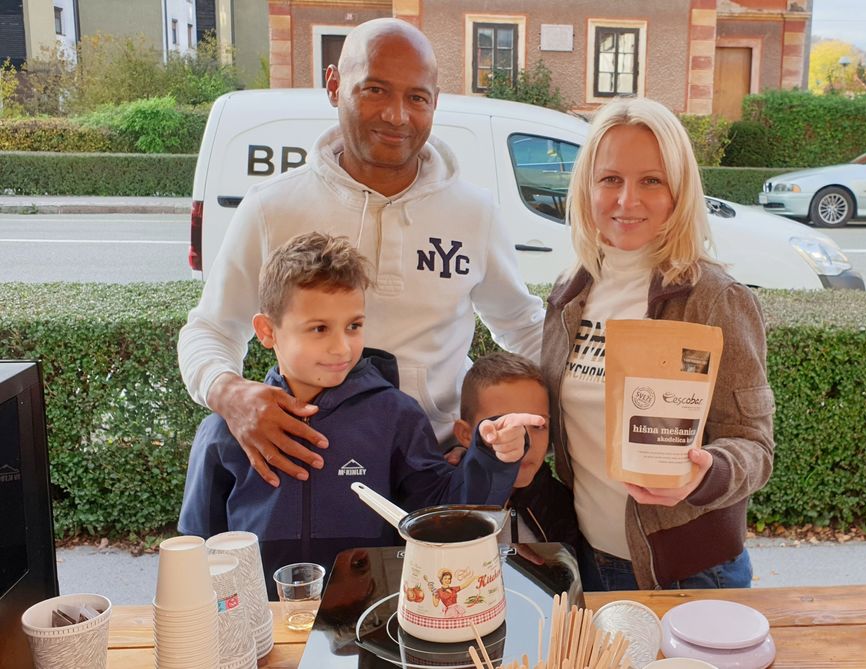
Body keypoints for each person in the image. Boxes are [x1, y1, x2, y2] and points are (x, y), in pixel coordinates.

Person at [177, 18, 543, 488]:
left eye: (417, 97)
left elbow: (523, 326)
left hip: (435, 470)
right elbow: (211, 328)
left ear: (435, 101)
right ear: (334, 85)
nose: (396, 115)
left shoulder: (475, 213)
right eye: (375, 90)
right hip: (309, 470)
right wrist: (230, 394)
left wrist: (590, 401)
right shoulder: (272, 206)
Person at [178, 232, 543, 594]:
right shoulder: (222, 432)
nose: (341, 347)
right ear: (267, 330)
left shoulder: (396, 417)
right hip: (262, 622)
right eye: (319, 328)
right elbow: (196, 554)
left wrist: (492, 456)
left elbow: (445, 519)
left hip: (372, 615)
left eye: (353, 326)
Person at [540, 97, 775, 591]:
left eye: (651, 180)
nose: (627, 201)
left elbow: (754, 445)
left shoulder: (714, 299)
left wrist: (707, 473)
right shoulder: (569, 294)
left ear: (679, 191)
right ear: (586, 187)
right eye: (610, 179)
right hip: (590, 558)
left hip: (690, 570)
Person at [452, 352, 579, 547]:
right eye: (504, 425)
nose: (524, 442)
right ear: (466, 435)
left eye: (537, 426)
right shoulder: (442, 499)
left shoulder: (561, 503)